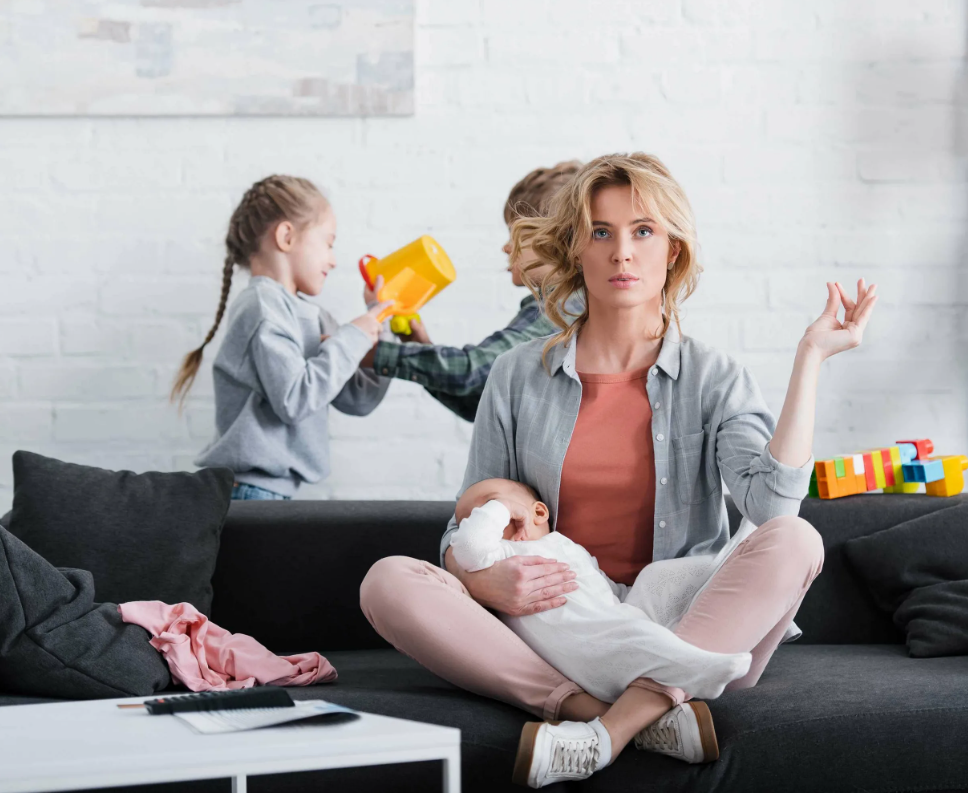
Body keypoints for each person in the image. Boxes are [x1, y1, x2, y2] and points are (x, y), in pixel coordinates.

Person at [360, 153, 877, 788]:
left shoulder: (715, 376)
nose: (621, 252)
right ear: (576, 249)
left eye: (643, 231)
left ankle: (607, 729)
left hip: (687, 629)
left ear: (673, 251)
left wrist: (811, 358)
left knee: (798, 538)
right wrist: (484, 582)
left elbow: (772, 512)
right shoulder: (516, 376)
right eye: (600, 232)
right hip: (559, 629)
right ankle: (615, 713)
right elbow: (466, 521)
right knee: (388, 581)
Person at [171, 175, 393, 501]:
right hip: (253, 491)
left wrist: (377, 323)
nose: (333, 259)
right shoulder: (262, 306)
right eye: (328, 243)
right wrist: (353, 336)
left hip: (273, 493)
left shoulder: (312, 316)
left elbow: (358, 399)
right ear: (287, 236)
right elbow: (295, 399)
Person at [449, 477, 752, 707]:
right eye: (473, 519)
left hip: (615, 614)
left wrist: (628, 598)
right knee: (634, 635)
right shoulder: (502, 557)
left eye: (488, 507)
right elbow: (469, 547)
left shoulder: (564, 544)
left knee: (655, 578)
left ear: (538, 512)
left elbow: (601, 585)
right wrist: (499, 507)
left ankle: (728, 562)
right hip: (585, 646)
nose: (481, 519)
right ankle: (697, 669)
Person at [366, 161, 582, 421]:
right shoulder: (564, 304)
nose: (506, 247)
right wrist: (418, 344)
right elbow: (480, 401)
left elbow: (473, 370)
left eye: (516, 233)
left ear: (556, 240)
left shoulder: (561, 307)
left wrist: (368, 352)